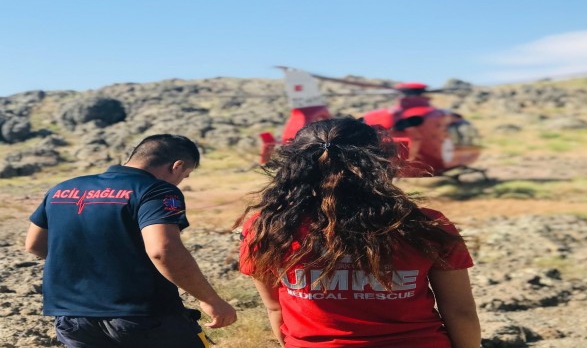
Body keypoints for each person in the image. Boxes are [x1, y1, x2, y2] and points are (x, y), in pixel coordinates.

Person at [238, 117, 480, 347]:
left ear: (293, 166)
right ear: (380, 161)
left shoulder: (267, 228)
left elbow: (276, 310)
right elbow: (460, 311)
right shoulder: (424, 224)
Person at [25, 134, 237, 348]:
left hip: (73, 317)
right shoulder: (156, 190)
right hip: (142, 316)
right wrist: (211, 300)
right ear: (177, 166)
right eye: (186, 175)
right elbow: (163, 250)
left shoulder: (62, 189)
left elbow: (34, 245)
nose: (182, 181)